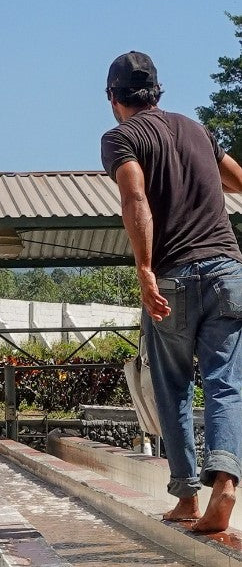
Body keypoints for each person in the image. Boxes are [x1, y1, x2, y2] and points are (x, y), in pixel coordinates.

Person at [101, 50, 242, 532]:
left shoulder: (122, 137)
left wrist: (143, 269)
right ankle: (225, 481)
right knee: (226, 382)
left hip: (173, 277)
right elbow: (238, 180)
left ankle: (187, 496)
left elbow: (134, 196)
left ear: (113, 98)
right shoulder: (199, 131)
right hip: (227, 270)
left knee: (173, 387)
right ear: (158, 92)